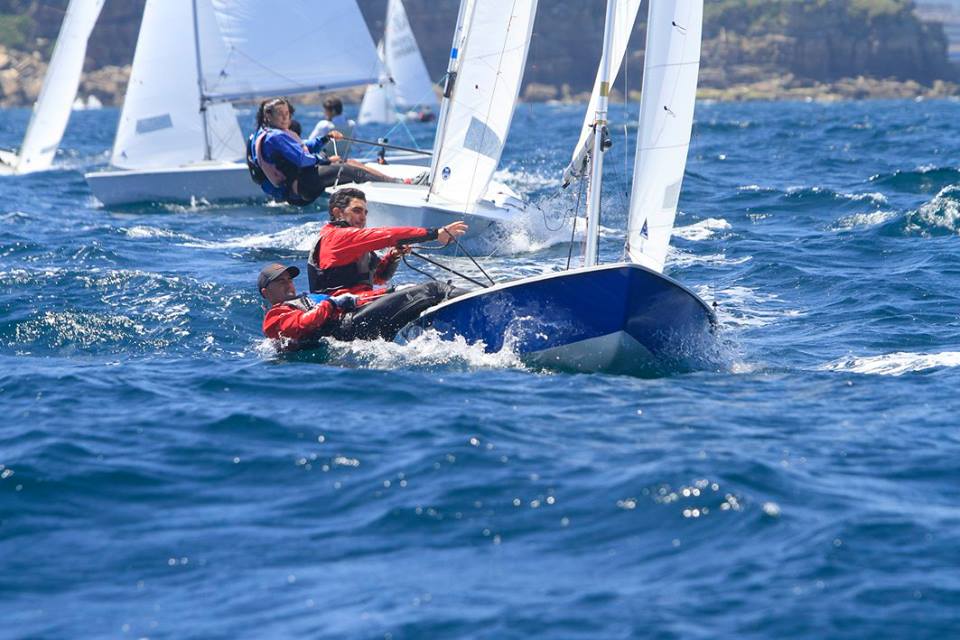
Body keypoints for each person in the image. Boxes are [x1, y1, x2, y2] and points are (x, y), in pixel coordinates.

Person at [307, 187, 469, 340]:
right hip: (343, 318)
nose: (363, 217)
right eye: (357, 211)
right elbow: (387, 235)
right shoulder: (335, 237)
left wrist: (393, 257)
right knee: (435, 290)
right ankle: (475, 301)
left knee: (420, 300)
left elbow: (379, 278)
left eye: (365, 212)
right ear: (337, 213)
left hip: (358, 313)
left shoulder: (351, 243)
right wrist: (435, 234)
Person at [247, 97, 401, 207]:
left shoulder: (267, 132)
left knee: (350, 163)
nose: (285, 118)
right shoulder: (274, 136)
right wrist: (326, 160)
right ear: (268, 115)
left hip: (300, 184)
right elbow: (302, 160)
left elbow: (304, 146)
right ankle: (394, 184)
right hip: (299, 186)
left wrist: (325, 138)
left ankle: (391, 180)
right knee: (348, 170)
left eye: (287, 113)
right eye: (280, 114)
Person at [258, 263, 358, 351]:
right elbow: (303, 323)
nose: (288, 284)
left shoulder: (306, 299)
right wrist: (331, 303)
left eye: (289, 279)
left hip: (346, 325)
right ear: (266, 292)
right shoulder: (273, 318)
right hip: (338, 337)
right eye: (281, 281)